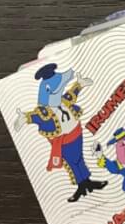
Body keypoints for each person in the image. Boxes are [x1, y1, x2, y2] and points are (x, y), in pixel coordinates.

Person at [13, 63, 107, 202]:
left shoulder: (63, 101)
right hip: (64, 142)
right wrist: (24, 118)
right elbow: (35, 117)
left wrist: (79, 84)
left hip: (77, 134)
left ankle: (87, 182)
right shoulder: (44, 111)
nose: (61, 90)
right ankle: (81, 185)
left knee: (79, 159)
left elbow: (71, 94)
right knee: (72, 162)